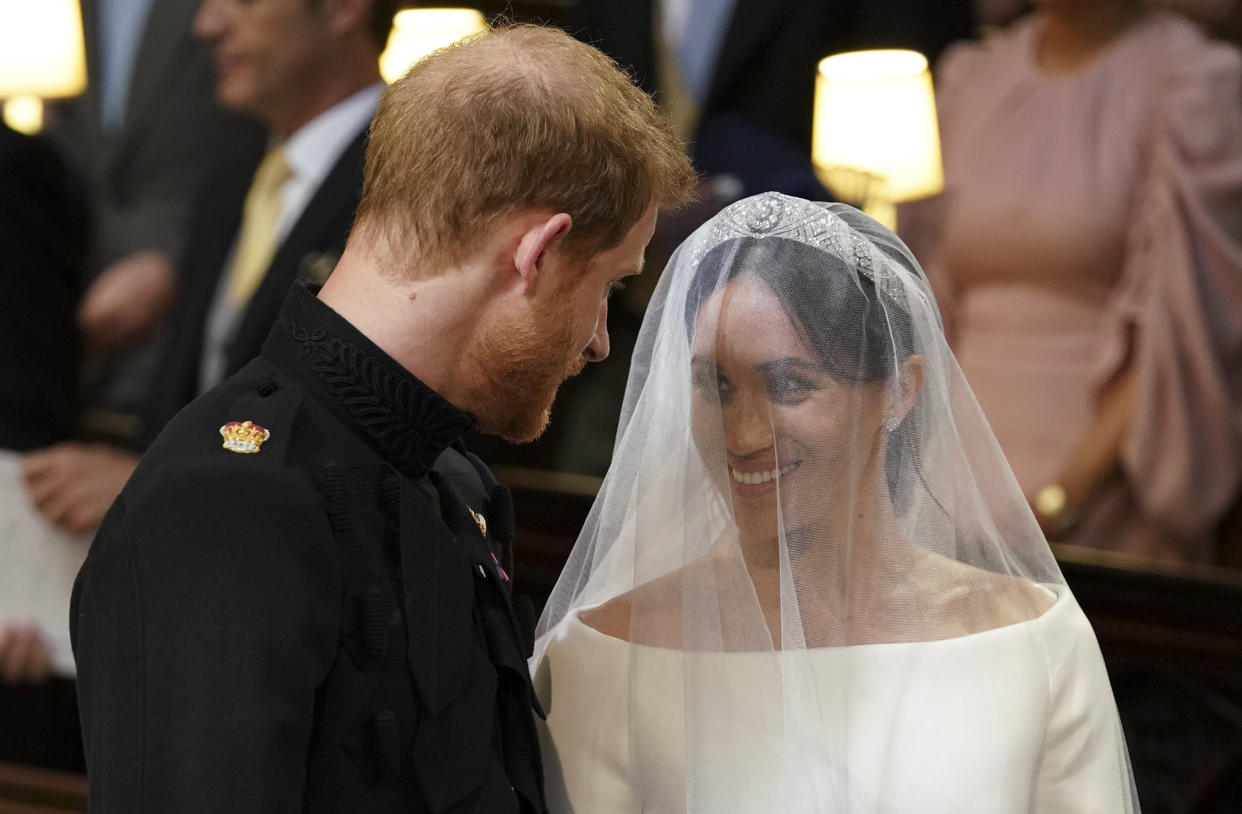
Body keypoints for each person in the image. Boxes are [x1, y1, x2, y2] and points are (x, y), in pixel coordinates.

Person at [71, 22, 696, 813]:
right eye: (608, 287)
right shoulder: (226, 502)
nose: (601, 341)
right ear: (537, 254)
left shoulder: (450, 477)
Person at [531, 193, 1139, 813]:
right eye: (714, 384)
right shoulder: (602, 658)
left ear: (901, 390)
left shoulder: (1036, 644)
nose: (742, 436)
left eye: (789, 385)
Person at [23, 0, 397, 536]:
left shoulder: (416, 186)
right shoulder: (227, 189)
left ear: (343, 7)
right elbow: (191, 411)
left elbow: (381, 451)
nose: (207, 24)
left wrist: (153, 483)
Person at [898, 0, 1242, 564]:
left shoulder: (1193, 83)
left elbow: (1188, 329)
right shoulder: (970, 78)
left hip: (1107, 494)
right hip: (947, 477)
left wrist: (1060, 501)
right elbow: (920, 300)